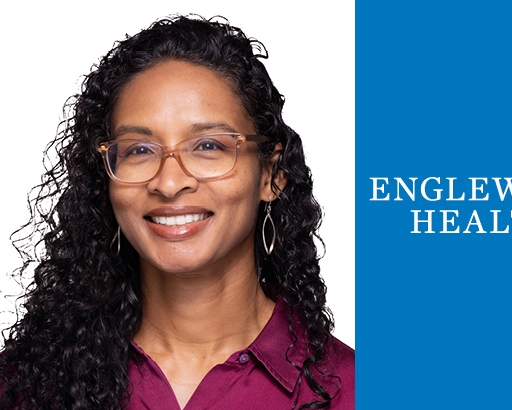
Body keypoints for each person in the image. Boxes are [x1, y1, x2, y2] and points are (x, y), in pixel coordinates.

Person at [0, 15, 354, 410]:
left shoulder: (361, 390)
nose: (169, 183)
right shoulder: (23, 385)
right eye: (138, 150)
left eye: (208, 146)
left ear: (271, 175)